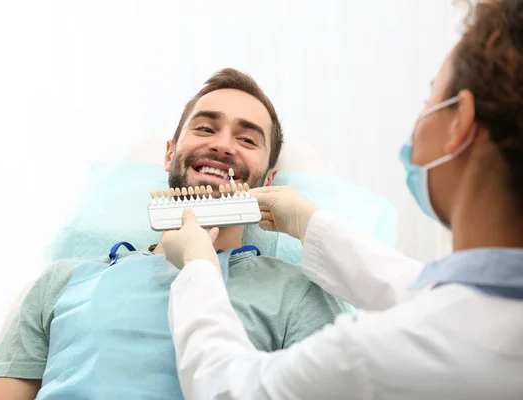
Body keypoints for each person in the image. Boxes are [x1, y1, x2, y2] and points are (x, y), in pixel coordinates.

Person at [162, 1, 523, 398]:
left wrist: (198, 268)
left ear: (460, 122)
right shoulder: (87, 275)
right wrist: (312, 225)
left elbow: (231, 388)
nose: (223, 145)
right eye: (205, 127)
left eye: (427, 102)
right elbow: (423, 293)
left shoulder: (362, 348)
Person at [0, 68, 350, 399]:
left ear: (269, 179)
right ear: (169, 154)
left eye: (248, 139)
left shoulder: (300, 293)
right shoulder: (60, 282)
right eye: (205, 128)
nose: (223, 145)